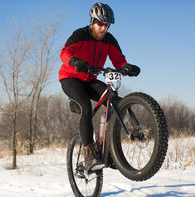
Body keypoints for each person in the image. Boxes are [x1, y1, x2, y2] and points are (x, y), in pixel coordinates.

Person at [59, 2, 140, 171]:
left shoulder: (109, 40)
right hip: (70, 77)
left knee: (114, 102)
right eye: (100, 24)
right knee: (86, 107)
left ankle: (109, 148)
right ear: (92, 22)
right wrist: (75, 61)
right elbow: (65, 53)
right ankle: (89, 154)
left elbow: (119, 60)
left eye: (106, 25)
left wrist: (127, 67)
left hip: (89, 79)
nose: (103, 28)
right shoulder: (80, 34)